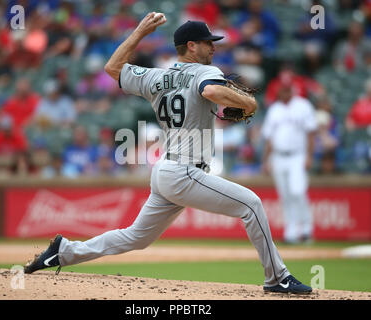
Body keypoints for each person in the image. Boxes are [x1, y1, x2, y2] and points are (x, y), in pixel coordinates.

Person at [24, 13, 312, 294]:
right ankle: (277, 277)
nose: (213, 46)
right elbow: (211, 91)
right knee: (251, 205)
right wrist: (249, 103)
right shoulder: (206, 71)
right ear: (191, 46)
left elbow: (112, 68)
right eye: (207, 42)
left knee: (136, 237)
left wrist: (139, 32)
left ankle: (63, 252)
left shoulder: (155, 77)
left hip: (165, 171)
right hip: (186, 172)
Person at [262, 84, 318, 245]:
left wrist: (309, 156)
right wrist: (266, 160)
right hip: (278, 156)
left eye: (287, 89)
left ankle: (306, 229)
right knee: (285, 195)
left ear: (292, 90)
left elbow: (311, 133)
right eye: (282, 89)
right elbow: (269, 138)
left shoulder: (303, 105)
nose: (284, 92)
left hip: (297, 155)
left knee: (298, 191)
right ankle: (291, 231)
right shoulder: (275, 109)